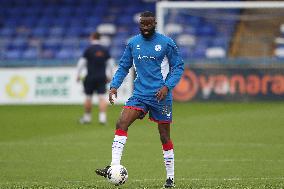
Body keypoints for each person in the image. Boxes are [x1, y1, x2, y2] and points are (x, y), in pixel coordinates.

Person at [95, 11, 184, 188]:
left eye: (148, 24)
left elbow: (178, 67)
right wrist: (114, 85)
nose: (145, 27)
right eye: (142, 24)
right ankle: (113, 167)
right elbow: (124, 66)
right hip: (140, 95)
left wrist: (167, 87)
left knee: (164, 135)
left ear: (155, 23)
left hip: (161, 96)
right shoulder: (133, 43)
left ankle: (170, 177)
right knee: (121, 123)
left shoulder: (166, 43)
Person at [77, 32, 113, 125]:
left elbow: (81, 63)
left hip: (90, 77)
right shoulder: (104, 49)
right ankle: (102, 118)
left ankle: (87, 118)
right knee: (102, 97)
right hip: (101, 77)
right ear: (99, 38)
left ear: (92, 37)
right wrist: (110, 74)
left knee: (88, 98)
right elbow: (111, 63)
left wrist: (78, 74)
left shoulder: (88, 49)